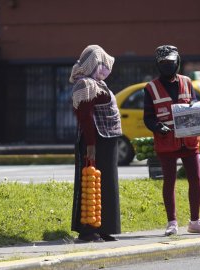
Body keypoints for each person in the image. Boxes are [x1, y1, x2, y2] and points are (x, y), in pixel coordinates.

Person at [143, 45, 200, 236]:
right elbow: (148, 116)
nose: (168, 65)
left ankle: (195, 222)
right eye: (164, 63)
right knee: (169, 181)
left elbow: (193, 101)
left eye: (171, 62)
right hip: (166, 142)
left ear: (178, 62)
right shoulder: (150, 88)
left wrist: (194, 105)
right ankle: (172, 223)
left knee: (196, 180)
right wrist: (157, 126)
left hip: (189, 141)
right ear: (158, 65)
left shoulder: (187, 81)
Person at [70, 45, 122, 242]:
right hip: (95, 141)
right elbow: (85, 116)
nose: (105, 68)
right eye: (102, 63)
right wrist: (91, 144)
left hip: (107, 140)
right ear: (95, 63)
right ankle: (88, 230)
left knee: (106, 184)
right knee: (90, 183)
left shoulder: (96, 83)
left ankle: (104, 227)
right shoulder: (85, 84)